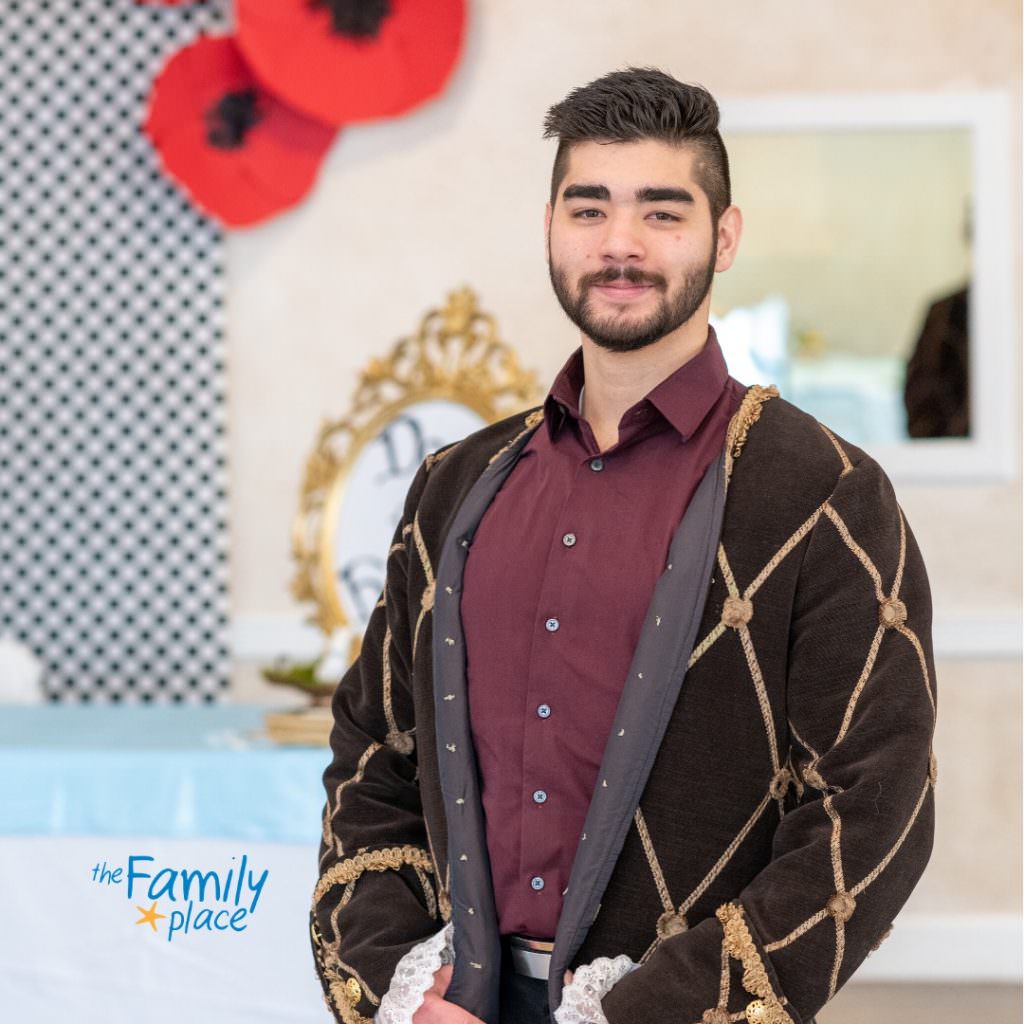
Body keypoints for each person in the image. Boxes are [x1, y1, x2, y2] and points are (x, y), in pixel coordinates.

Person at [310, 67, 937, 1024]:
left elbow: (875, 806)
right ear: (550, 228)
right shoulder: (453, 486)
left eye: (663, 212)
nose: (620, 244)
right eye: (589, 208)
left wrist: (654, 1010)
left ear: (725, 236)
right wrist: (398, 979)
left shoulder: (824, 494)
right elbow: (375, 755)